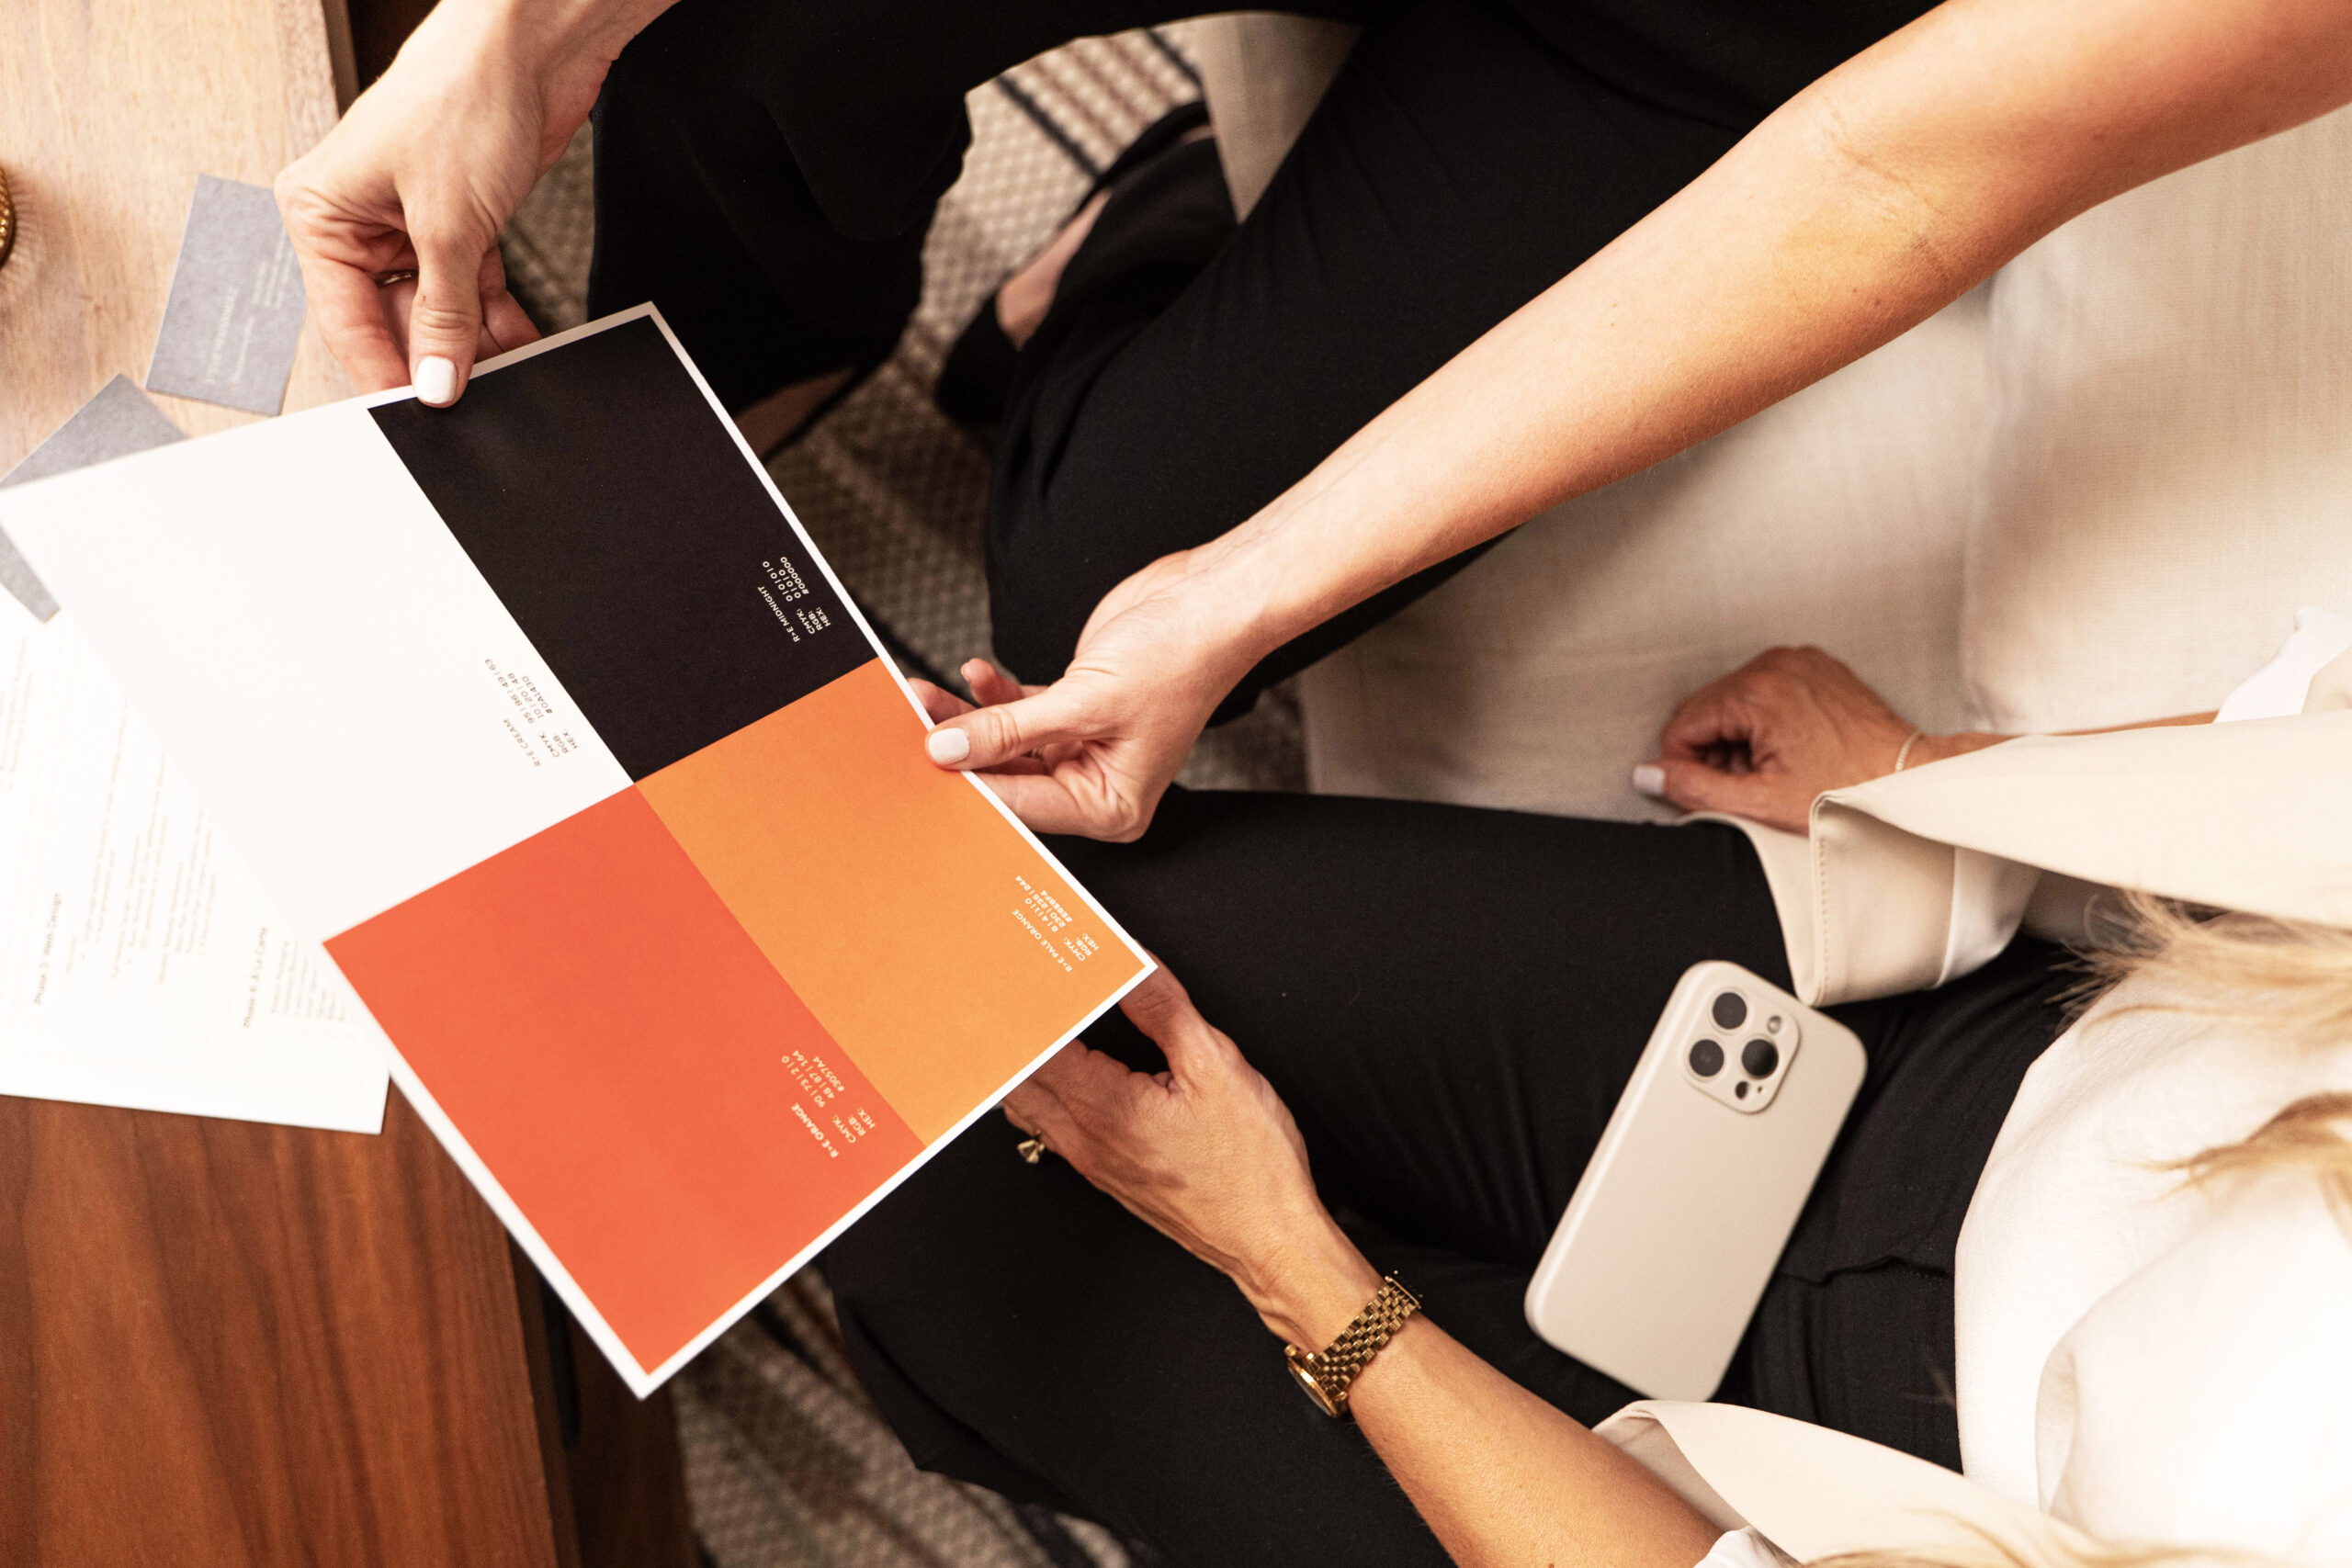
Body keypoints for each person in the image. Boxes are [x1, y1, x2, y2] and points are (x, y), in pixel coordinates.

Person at [277, 0, 2352, 842]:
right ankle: (740, 336)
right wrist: (516, 35)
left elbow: (1886, 179)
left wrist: (1237, 588)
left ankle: (1138, 235)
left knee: (1089, 572)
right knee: (742, 49)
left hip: (1734, 36)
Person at [815, 629, 2352, 1568]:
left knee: (944, 1243)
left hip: (1842, 1507)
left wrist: (1293, 1267)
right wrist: (1923, 764)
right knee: (1010, 906)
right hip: (1926, 1045)